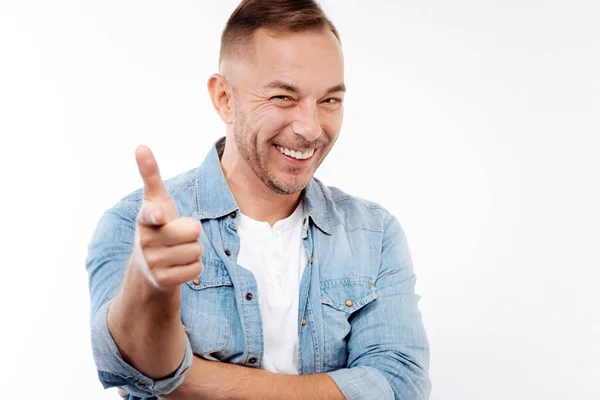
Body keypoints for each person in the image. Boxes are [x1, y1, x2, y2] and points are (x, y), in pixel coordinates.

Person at [85, 0, 431, 399]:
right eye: (283, 97)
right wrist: (148, 286)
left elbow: (400, 385)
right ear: (224, 99)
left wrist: (185, 381)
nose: (311, 128)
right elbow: (123, 364)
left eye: (330, 100)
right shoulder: (135, 224)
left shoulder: (375, 233)